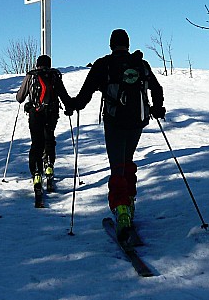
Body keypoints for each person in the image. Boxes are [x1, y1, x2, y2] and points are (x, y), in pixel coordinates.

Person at [64, 29, 165, 239]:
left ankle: (122, 211)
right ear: (127, 44)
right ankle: (129, 203)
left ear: (111, 44)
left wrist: (72, 105)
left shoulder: (104, 64)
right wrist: (157, 108)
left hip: (114, 123)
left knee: (117, 166)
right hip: (137, 122)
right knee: (127, 160)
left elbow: (85, 95)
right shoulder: (140, 63)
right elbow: (157, 88)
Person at [16, 55, 71, 205]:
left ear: (37, 64)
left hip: (36, 113)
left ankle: (36, 174)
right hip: (52, 114)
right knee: (49, 139)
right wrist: (70, 107)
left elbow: (20, 97)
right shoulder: (54, 75)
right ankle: (49, 168)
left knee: (36, 143)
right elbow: (64, 95)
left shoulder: (31, 76)